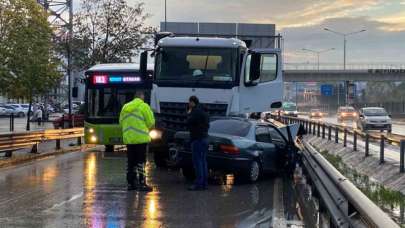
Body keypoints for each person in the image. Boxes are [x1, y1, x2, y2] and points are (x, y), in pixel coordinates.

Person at [119, 91, 155, 192]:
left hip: (129, 139)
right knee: (141, 162)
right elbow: (151, 122)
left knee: (131, 162)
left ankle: (131, 183)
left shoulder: (125, 107)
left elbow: (121, 122)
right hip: (141, 139)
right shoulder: (144, 106)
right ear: (141, 96)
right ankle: (142, 183)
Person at [186, 96, 210, 191]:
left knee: (197, 162)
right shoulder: (205, 112)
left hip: (197, 139)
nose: (188, 104)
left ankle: (198, 183)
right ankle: (204, 183)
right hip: (205, 138)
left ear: (192, 102)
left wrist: (188, 113)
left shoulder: (195, 112)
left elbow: (189, 122)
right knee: (203, 161)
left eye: (189, 102)